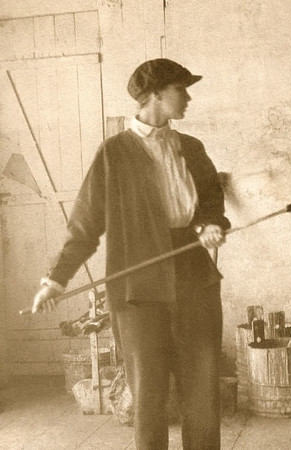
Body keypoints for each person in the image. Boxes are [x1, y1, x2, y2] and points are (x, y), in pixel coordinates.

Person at [31, 58, 230, 450]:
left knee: (203, 395)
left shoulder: (191, 147)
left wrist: (210, 224)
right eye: (180, 89)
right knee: (149, 399)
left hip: (194, 275)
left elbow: (211, 200)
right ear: (155, 94)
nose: (187, 97)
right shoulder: (114, 154)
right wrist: (54, 281)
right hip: (138, 287)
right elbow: (84, 227)